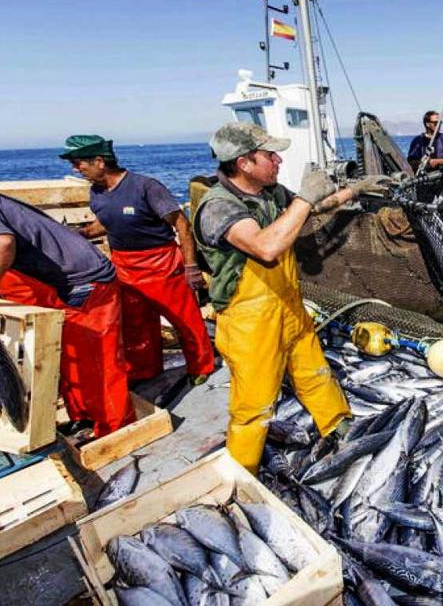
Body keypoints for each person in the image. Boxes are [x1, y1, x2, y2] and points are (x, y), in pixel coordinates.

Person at [192, 122, 392, 473]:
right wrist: (302, 198)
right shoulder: (219, 207)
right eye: (269, 155)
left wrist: (356, 190)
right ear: (244, 163)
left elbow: (313, 208)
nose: (278, 160)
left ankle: (338, 425)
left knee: (314, 371)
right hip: (248, 321)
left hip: (287, 305)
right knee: (254, 405)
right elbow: (266, 248)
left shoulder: (268, 192)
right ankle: (243, 473)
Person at [61, 135, 215, 386]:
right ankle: (145, 371)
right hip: (124, 266)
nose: (76, 169)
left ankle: (201, 366)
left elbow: (182, 224)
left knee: (184, 320)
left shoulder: (146, 187)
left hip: (161, 263)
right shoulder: (97, 192)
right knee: (135, 325)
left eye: (79, 163)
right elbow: (107, 220)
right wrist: (86, 232)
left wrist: (191, 266)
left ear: (99, 161)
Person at [0, 193, 134, 437]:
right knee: (67, 355)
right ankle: (84, 418)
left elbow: (4, 245)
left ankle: (115, 429)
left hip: (85, 282)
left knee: (98, 361)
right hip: (57, 281)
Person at [406, 111, 443, 204]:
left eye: (440, 122)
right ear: (427, 124)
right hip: (424, 184)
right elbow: (411, 161)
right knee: (426, 211)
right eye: (436, 123)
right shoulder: (418, 141)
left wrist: (438, 161)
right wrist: (424, 162)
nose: (439, 125)